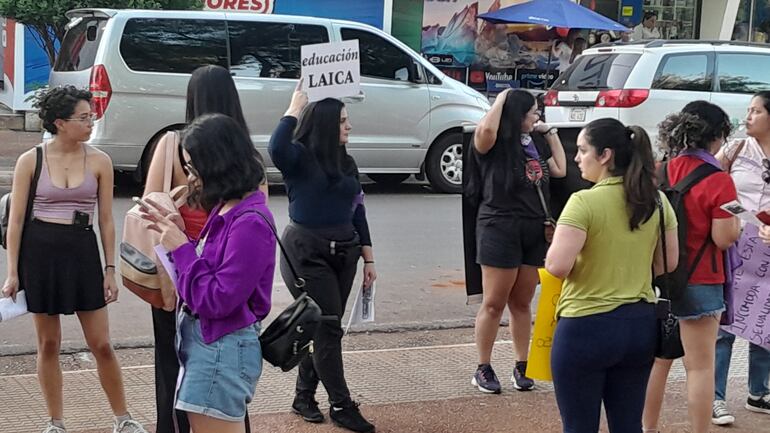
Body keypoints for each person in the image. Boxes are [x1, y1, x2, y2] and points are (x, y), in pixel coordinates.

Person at [1, 86, 148, 433]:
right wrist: (12, 273)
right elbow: (16, 221)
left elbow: (107, 220)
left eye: (91, 116)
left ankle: (123, 418)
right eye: (83, 118)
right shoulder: (31, 160)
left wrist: (110, 269)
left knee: (102, 344)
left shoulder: (100, 161)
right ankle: (55, 422)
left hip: (82, 250)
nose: (90, 123)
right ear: (60, 123)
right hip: (40, 253)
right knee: (48, 343)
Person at [142, 64, 265, 433]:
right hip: (205, 327)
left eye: (193, 171)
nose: (190, 182)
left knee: (192, 394)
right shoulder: (230, 205)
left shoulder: (246, 221)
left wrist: (181, 247)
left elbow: (217, 298)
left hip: (217, 336)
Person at [545, 118, 679, 433]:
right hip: (639, 326)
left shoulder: (583, 201)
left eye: (582, 150)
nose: (577, 158)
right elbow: (667, 263)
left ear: (605, 155)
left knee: (579, 426)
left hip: (585, 325)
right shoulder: (656, 201)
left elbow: (557, 266)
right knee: (628, 424)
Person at [268, 83, 377, 433]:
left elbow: (358, 210)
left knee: (322, 327)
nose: (349, 126)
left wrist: (369, 257)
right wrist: (294, 107)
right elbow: (276, 147)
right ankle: (342, 406)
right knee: (329, 328)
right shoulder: (298, 158)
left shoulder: (347, 162)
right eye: (343, 121)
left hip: (345, 254)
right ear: (326, 124)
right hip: (307, 253)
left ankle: (303, 396)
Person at [642, 101, 741, 433]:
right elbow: (724, 238)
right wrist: (738, 225)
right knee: (699, 367)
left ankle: (647, 428)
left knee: (657, 362)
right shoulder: (719, 180)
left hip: (657, 279)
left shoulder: (659, 171)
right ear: (717, 136)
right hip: (701, 279)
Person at [467, 88, 567, 394]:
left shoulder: (534, 142)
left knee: (522, 302)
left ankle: (523, 364)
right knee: (494, 302)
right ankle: (483, 367)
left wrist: (549, 134)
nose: (537, 116)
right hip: (499, 226)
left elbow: (560, 170)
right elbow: (485, 130)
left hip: (534, 227)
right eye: (533, 112)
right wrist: (503, 98)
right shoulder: (493, 142)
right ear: (517, 115)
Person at [712, 91, 770, 424]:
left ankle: (758, 392)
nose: (748, 117)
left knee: (764, 317)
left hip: (767, 251)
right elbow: (713, 187)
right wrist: (741, 218)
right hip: (734, 243)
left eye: (756, 111)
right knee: (726, 323)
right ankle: (716, 397)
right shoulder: (735, 150)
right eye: (748, 110)